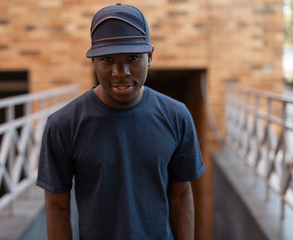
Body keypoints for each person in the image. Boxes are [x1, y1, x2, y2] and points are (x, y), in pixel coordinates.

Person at [37, 3, 205, 240]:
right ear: (93, 62)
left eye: (133, 57)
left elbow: (180, 196)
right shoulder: (64, 125)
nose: (121, 71)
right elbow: (57, 208)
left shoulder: (176, 116)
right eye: (107, 59)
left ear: (150, 58)